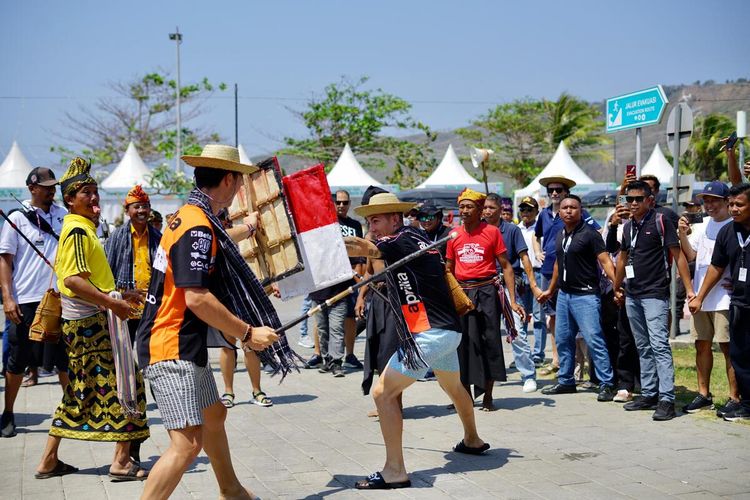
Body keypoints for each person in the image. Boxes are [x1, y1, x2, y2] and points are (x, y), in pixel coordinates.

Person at [136, 144, 281, 499]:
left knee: (214, 414)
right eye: (241, 182)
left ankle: (230, 490)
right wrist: (246, 332)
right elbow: (196, 298)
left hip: (185, 344)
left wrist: (245, 232)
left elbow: (215, 243)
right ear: (229, 180)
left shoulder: (190, 217)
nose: (241, 190)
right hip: (170, 346)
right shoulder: (198, 227)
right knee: (186, 445)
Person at [345, 191, 489, 490]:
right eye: (370, 219)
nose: (372, 224)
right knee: (454, 387)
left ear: (395, 218)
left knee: (382, 393)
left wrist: (320, 243)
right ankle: (472, 439)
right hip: (445, 332)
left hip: (432, 334)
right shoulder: (414, 237)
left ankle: (394, 470)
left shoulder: (398, 240)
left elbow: (363, 247)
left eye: (378, 218)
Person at [35, 158, 149, 480]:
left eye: (95, 191)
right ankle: (122, 462)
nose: (94, 197)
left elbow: (86, 279)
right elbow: (72, 280)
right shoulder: (76, 231)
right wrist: (111, 304)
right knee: (128, 386)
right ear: (70, 199)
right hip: (88, 326)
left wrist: (119, 294)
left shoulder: (82, 228)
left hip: (88, 323)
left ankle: (48, 460)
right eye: (86, 192)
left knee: (82, 392)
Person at [614, 180, 695, 421]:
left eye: (639, 199)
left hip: (655, 295)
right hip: (633, 294)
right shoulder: (628, 227)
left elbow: (678, 256)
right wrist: (616, 287)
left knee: (659, 345)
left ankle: (666, 399)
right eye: (630, 199)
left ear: (650, 200)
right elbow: (622, 259)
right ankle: (648, 393)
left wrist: (689, 290)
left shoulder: (661, 221)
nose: (634, 203)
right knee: (643, 346)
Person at [0, 167, 69, 438]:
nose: (52, 191)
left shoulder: (64, 215)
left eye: (54, 186)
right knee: (18, 359)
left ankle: (74, 412)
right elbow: (4, 260)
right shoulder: (17, 218)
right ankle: (8, 412)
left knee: (65, 358)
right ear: (32, 188)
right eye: (46, 186)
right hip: (26, 299)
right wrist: (7, 297)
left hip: (60, 298)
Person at [446, 188, 524, 411]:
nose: (464, 210)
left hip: (488, 292)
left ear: (480, 210)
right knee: (463, 346)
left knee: (490, 342)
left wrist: (513, 300)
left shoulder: (492, 232)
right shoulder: (453, 235)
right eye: (462, 206)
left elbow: (507, 266)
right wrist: (452, 297)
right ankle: (465, 398)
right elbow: (448, 270)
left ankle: (488, 396)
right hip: (463, 294)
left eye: (469, 206)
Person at [537, 195, 617, 401]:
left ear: (580, 211)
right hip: (564, 295)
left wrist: (617, 286)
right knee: (563, 339)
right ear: (559, 212)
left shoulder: (590, 234)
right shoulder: (560, 234)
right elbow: (557, 265)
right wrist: (550, 290)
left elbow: (606, 262)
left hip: (586, 295)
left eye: (573, 207)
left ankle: (607, 383)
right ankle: (566, 381)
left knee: (594, 339)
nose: (569, 211)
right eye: (565, 208)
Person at [690, 182, 750, 422]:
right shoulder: (729, 231)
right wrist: (700, 296)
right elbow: (716, 266)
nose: (734, 209)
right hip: (740, 303)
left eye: (739, 204)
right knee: (741, 354)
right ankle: (745, 403)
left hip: (732, 302)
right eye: (732, 204)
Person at [679, 181, 740, 416]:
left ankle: (735, 397)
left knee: (727, 347)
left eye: (715, 200)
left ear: (727, 202)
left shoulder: (735, 225)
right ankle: (704, 394)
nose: (710, 205)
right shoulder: (703, 225)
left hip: (724, 297)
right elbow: (693, 256)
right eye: (706, 200)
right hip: (700, 297)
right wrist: (683, 235)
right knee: (701, 345)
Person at [533, 176, 600, 375]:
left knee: (580, 321)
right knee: (553, 319)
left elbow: (597, 232)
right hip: (548, 271)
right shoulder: (544, 214)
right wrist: (537, 251)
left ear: (566, 192)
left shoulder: (578, 213)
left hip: (575, 274)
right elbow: (535, 236)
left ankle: (583, 363)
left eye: (558, 190)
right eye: (550, 190)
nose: (554, 193)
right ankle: (557, 360)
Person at [483, 193, 539, 393]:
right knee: (486, 334)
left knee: (516, 332)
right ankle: (490, 375)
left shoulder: (512, 230)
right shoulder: (478, 230)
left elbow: (524, 258)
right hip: (484, 286)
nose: (487, 211)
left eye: (491, 207)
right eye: (485, 207)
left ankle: (528, 374)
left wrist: (532, 283)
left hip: (510, 285)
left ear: (500, 209)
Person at [105, 184, 162, 344]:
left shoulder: (158, 237)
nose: (141, 211)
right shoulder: (116, 236)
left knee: (150, 345)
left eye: (145, 206)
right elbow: (108, 267)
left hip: (151, 301)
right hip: (125, 302)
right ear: (127, 210)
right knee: (123, 346)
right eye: (136, 207)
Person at [516, 196, 547, 366]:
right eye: (523, 209)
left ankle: (538, 354)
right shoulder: (516, 229)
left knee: (538, 316)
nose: (526, 213)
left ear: (536, 211)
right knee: (521, 316)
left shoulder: (540, 228)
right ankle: (523, 353)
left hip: (538, 273)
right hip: (520, 275)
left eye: (529, 209)